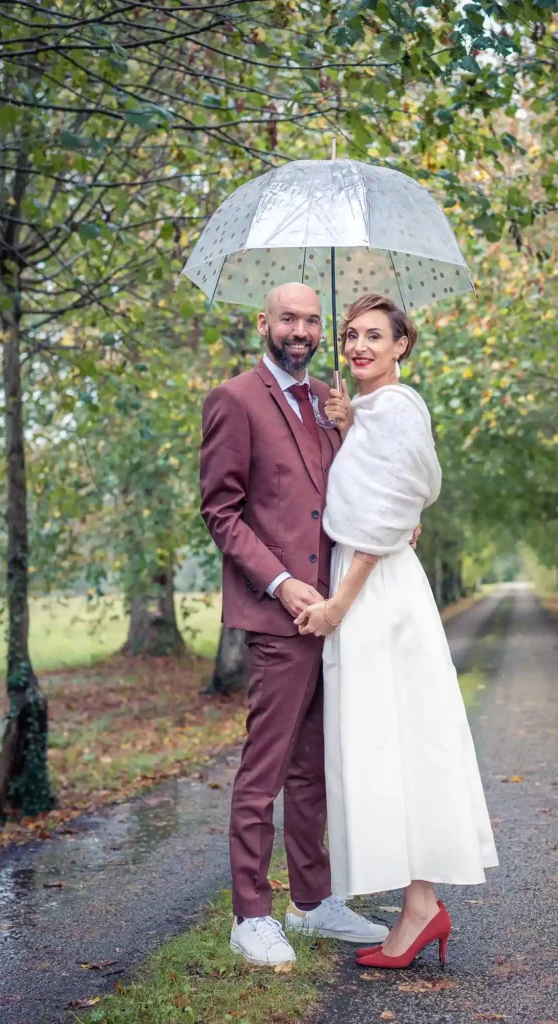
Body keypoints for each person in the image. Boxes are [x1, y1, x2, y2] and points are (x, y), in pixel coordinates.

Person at [296, 293, 499, 971]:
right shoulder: (373, 413)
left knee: (402, 738)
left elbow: (385, 521)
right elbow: (386, 497)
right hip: (370, 587)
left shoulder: (400, 407)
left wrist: (336, 607)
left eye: (374, 336)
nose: (357, 346)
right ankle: (419, 906)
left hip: (373, 594)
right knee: (388, 741)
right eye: (350, 335)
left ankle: (419, 908)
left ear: (402, 345)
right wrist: (350, 421)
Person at [199, 282, 389, 967]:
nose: (301, 330)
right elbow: (222, 511)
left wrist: (350, 426)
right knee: (266, 769)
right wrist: (281, 585)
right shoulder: (235, 398)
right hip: (281, 617)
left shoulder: (326, 403)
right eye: (289, 318)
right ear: (265, 323)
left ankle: (312, 904)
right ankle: (250, 914)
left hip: (335, 612)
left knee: (314, 768)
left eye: (312, 320)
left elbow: (344, 499)